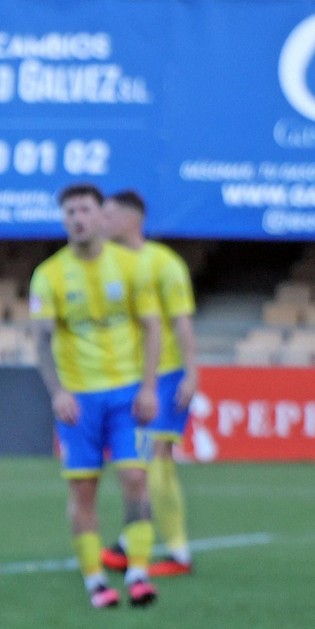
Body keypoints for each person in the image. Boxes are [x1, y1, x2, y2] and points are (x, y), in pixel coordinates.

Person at [29, 184, 161, 609]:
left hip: (126, 395)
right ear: (63, 219)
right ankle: (95, 580)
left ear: (101, 216)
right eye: (69, 211)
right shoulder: (49, 275)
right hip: (79, 400)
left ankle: (138, 571)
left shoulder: (130, 266)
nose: (77, 218)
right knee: (83, 490)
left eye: (84, 209)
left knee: (136, 478)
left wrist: (148, 386)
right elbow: (42, 342)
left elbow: (153, 328)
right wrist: (58, 392)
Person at [100, 191, 197, 577]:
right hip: (128, 375)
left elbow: (181, 321)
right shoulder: (105, 264)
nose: (102, 222)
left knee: (156, 461)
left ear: (131, 219)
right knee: (135, 462)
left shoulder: (164, 263)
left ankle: (177, 553)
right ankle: (130, 541)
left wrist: (191, 373)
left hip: (166, 375)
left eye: (109, 214)